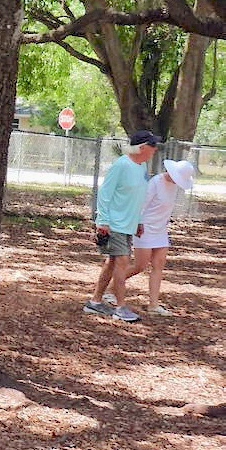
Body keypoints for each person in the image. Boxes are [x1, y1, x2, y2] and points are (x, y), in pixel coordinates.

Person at [86, 129, 161, 322]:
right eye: (152, 145)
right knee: (122, 263)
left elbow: (138, 197)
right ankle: (120, 307)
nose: (155, 149)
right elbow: (105, 194)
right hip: (114, 224)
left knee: (112, 263)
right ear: (142, 147)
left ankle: (95, 302)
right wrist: (102, 221)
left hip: (128, 225)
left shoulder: (142, 166)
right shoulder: (121, 165)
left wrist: (139, 221)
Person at [119, 159, 197, 316]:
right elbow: (141, 204)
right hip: (145, 228)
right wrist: (137, 223)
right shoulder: (155, 182)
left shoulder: (174, 186)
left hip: (161, 230)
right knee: (140, 266)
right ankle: (111, 288)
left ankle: (153, 305)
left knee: (158, 265)